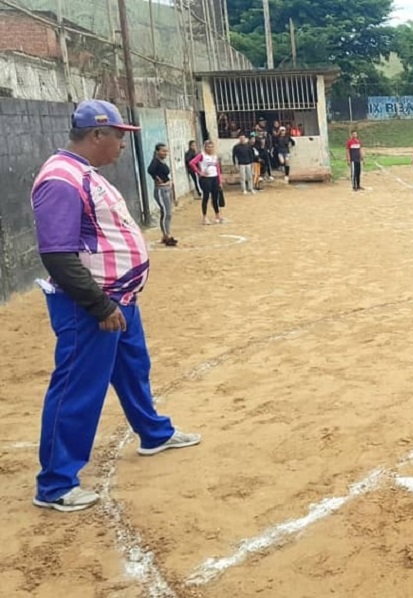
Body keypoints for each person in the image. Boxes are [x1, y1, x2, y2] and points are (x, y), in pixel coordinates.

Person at [30, 100, 201, 513]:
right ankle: (55, 483)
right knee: (77, 389)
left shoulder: (86, 173)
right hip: (90, 306)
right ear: (96, 135)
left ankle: (153, 432)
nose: (123, 145)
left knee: (132, 370)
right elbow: (57, 254)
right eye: (119, 137)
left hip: (119, 299)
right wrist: (99, 305)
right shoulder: (61, 179)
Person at [146, 143, 178, 246]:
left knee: (168, 213)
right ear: (157, 152)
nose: (165, 153)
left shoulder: (161, 161)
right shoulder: (155, 161)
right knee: (166, 212)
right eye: (163, 151)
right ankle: (166, 236)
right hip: (161, 190)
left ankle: (166, 234)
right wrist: (156, 178)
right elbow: (150, 170)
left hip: (166, 189)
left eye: (166, 151)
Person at [188, 140, 225, 225]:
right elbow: (192, 163)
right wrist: (199, 172)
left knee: (215, 197)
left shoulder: (214, 156)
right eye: (208, 147)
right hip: (205, 179)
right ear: (205, 147)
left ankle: (217, 215)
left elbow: (218, 169)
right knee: (206, 197)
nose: (210, 148)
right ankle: (204, 217)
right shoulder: (201, 155)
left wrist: (220, 180)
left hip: (214, 177)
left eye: (211, 147)